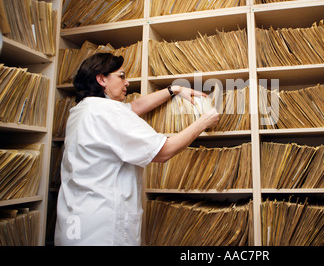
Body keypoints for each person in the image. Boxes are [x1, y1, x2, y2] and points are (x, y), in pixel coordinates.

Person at [54, 53, 219, 246]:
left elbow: (133, 107)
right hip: (102, 227)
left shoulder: (83, 109)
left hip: (75, 220)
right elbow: (164, 151)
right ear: (101, 79)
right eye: (121, 76)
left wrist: (174, 89)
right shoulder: (107, 112)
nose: (127, 82)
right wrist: (203, 122)